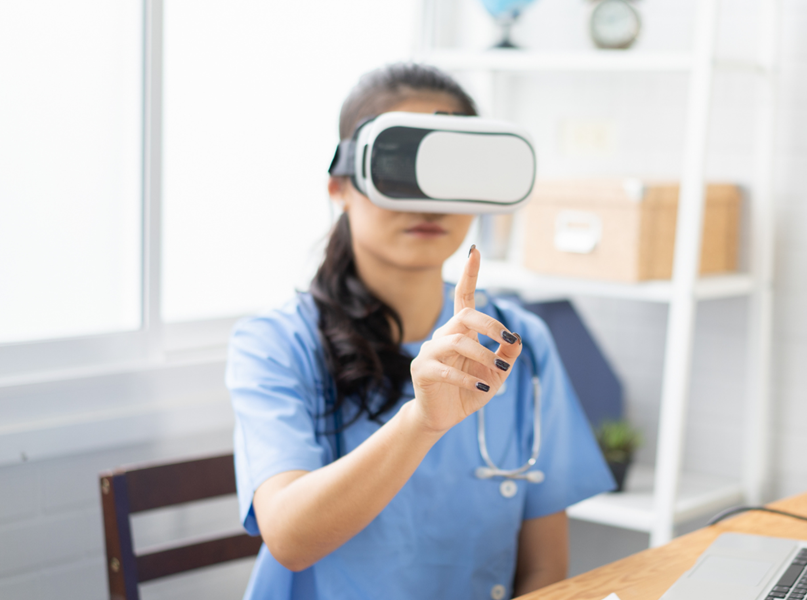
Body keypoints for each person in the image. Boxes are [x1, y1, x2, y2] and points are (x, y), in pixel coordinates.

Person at [226, 63, 615, 600]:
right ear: (340, 186)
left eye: (452, 170)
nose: (429, 200)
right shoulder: (275, 345)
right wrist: (422, 422)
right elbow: (289, 537)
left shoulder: (518, 342)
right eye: (400, 166)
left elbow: (545, 567)